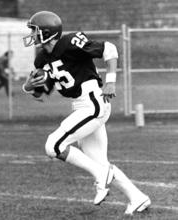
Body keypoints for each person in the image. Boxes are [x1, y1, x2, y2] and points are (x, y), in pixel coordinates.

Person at [22, 11, 151, 215]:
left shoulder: (71, 42)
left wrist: (110, 82)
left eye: (35, 31)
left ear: (48, 32)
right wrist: (28, 86)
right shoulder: (42, 59)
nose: (32, 35)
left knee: (53, 145)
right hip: (80, 106)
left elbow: (110, 50)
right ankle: (138, 198)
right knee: (100, 162)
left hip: (94, 102)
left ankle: (101, 175)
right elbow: (39, 92)